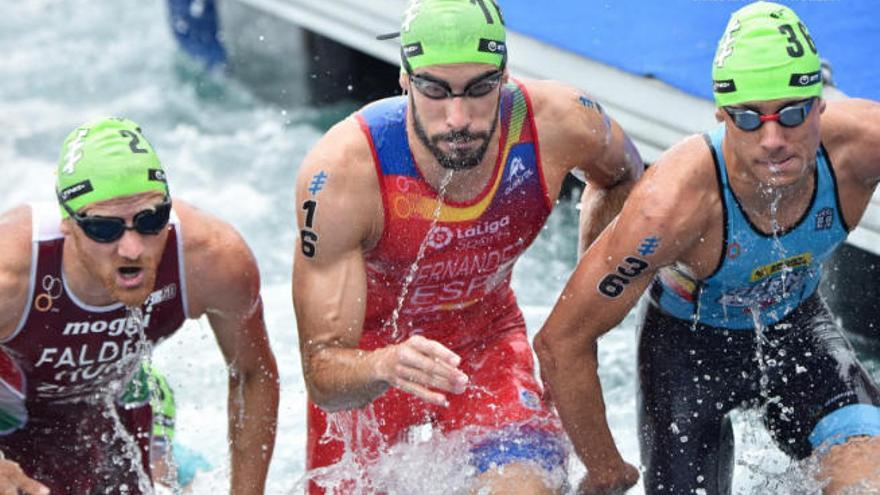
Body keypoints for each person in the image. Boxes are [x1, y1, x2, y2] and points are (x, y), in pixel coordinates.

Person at [291, 1, 643, 493]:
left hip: (485, 348)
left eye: (479, 89)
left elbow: (627, 179)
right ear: (405, 81)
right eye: (435, 89)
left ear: (504, 76)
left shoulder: (561, 123)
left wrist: (582, 310)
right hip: (371, 367)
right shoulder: (346, 174)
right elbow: (323, 373)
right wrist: (385, 364)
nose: (459, 118)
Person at [534, 2, 880, 494]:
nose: (774, 139)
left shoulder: (863, 144)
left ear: (820, 102)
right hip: (686, 351)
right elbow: (560, 340)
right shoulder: (672, 204)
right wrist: (606, 467)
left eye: (794, 113)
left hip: (797, 326)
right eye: (748, 119)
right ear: (720, 113)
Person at [0, 117, 279, 494]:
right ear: (68, 222)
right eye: (104, 229)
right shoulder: (11, 273)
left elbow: (252, 374)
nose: (131, 248)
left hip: (114, 399)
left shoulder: (211, 259)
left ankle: (175, 456)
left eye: (150, 220)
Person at [122, 362, 213, 494]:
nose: (143, 462)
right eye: (134, 449)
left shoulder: (191, 470)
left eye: (155, 449)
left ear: (169, 446)